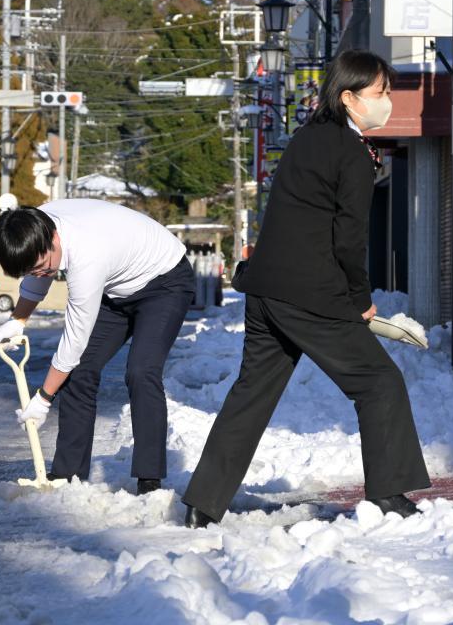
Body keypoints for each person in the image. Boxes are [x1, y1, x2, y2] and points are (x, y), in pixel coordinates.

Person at [181, 50, 432, 529]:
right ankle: (389, 495)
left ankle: (203, 503)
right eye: (380, 93)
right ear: (349, 98)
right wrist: (359, 301)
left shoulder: (309, 137)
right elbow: (348, 238)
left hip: (266, 290)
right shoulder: (353, 154)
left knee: (251, 394)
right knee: (379, 383)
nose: (388, 101)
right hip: (309, 293)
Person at [0, 200, 195, 495]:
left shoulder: (88, 255)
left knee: (141, 370)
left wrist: (44, 397)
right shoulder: (33, 224)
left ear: (52, 238)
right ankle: (67, 474)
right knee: (81, 372)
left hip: (165, 283)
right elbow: (39, 276)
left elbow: (73, 342)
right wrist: (18, 319)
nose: (42, 273)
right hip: (116, 289)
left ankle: (149, 479)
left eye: (42, 266)